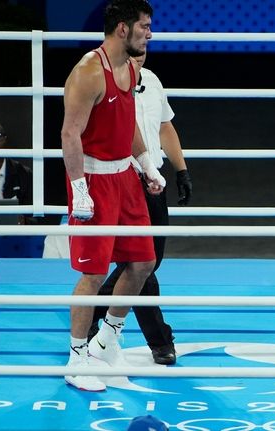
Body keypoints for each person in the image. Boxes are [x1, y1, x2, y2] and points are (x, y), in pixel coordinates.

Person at [60, 0, 165, 392]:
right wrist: (80, 190)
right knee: (93, 273)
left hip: (124, 176)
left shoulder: (133, 65)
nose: (150, 33)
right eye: (144, 26)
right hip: (93, 179)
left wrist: (146, 164)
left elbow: (129, 121)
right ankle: (76, 357)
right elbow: (70, 134)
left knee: (142, 262)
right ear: (123, 29)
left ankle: (106, 341)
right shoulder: (88, 73)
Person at [87, 48, 193, 365]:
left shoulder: (152, 81)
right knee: (140, 262)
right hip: (120, 181)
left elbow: (165, 127)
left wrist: (182, 170)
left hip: (154, 180)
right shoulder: (101, 86)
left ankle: (89, 312)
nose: (139, 55)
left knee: (146, 263)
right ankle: (159, 339)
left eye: (144, 49)